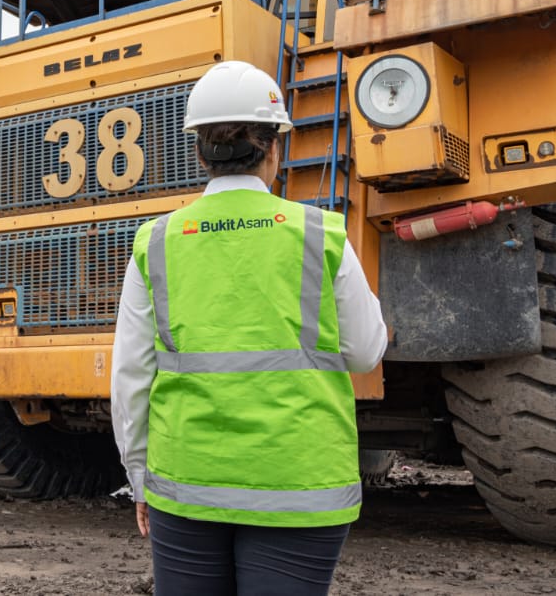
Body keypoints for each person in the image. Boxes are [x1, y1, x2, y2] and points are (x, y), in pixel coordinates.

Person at [110, 59, 388, 596]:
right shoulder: (321, 234)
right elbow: (364, 352)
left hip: (187, 482)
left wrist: (139, 477)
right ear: (274, 149)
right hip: (299, 483)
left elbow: (130, 378)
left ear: (199, 152)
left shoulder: (157, 241)